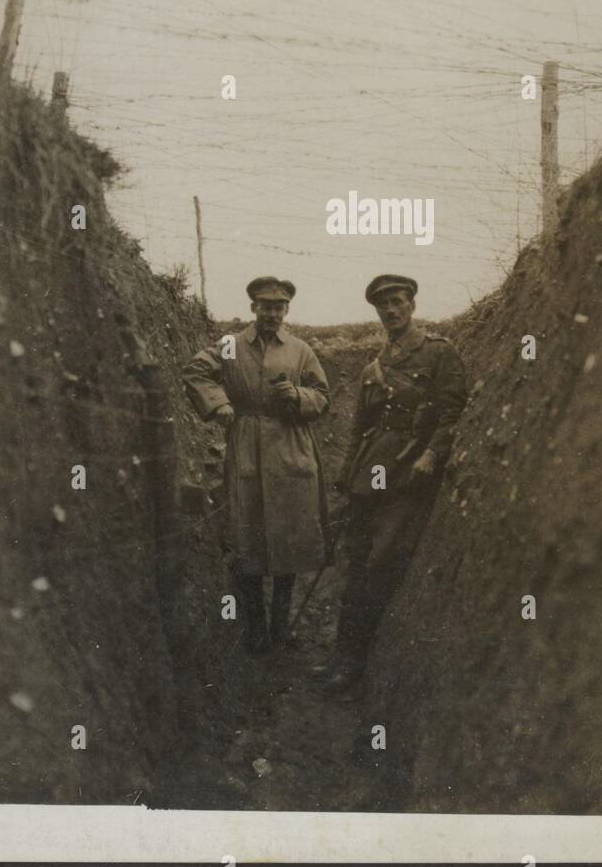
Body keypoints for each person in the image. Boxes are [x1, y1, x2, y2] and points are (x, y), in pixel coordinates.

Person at [316, 274, 467, 691]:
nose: (391, 311)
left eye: (398, 302)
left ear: (412, 305)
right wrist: (347, 475)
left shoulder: (438, 353)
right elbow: (360, 427)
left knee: (381, 561)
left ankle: (359, 664)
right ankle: (343, 658)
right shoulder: (373, 367)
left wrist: (431, 454)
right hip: (371, 474)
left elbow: (454, 412)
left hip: (407, 476)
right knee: (358, 561)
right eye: (384, 305)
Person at [183, 277, 329, 654]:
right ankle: (255, 631)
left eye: (278, 307)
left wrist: (297, 395)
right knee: (247, 535)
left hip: (291, 447)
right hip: (246, 444)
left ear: (287, 311)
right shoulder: (231, 346)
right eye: (264, 306)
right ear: (253, 309)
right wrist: (220, 404)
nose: (271, 314)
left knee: (288, 537)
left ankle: (281, 629)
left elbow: (323, 397)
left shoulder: (299, 350)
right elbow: (197, 372)